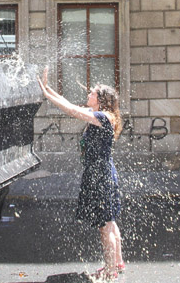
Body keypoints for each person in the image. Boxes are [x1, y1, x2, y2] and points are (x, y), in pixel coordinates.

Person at [37, 67, 125, 281]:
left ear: (100, 99)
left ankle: (110, 269)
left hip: (100, 175)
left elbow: (70, 111)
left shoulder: (102, 117)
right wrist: (50, 89)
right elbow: (71, 106)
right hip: (101, 172)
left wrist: (47, 94)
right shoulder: (101, 115)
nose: (89, 95)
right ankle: (118, 262)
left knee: (105, 226)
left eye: (92, 93)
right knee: (110, 222)